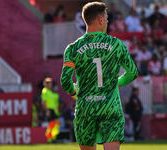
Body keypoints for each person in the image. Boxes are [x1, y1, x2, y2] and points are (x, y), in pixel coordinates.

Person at [60, 2, 138, 150]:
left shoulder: (73, 48)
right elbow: (133, 72)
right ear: (101, 19)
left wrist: (76, 94)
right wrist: (118, 83)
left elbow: (65, 81)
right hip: (110, 107)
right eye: (107, 18)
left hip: (85, 108)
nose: (108, 21)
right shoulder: (116, 44)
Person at [41, 77, 61, 142]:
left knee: (53, 124)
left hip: (53, 110)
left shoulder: (50, 91)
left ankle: (51, 137)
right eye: (48, 83)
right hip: (49, 109)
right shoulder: (45, 91)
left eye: (50, 83)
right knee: (55, 123)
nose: (50, 84)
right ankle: (50, 137)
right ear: (45, 84)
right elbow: (43, 102)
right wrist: (47, 110)